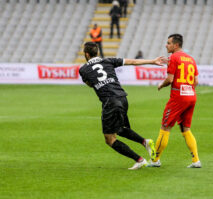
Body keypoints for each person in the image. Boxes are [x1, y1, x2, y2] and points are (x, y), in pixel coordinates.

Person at [79, 42, 167, 170]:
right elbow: (131, 61)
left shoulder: (83, 69)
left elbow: (90, 84)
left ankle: (139, 160)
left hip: (110, 101)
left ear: (86, 54)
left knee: (110, 139)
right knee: (120, 129)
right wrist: (152, 61)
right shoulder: (108, 60)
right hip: (122, 97)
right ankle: (145, 142)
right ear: (97, 52)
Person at [148, 34, 201, 168]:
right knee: (185, 128)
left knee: (165, 127)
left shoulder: (174, 57)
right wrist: (187, 90)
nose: (166, 45)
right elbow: (196, 81)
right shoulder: (191, 59)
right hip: (191, 96)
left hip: (178, 97)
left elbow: (170, 79)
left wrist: (161, 85)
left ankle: (155, 160)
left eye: (168, 43)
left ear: (176, 45)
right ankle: (196, 161)